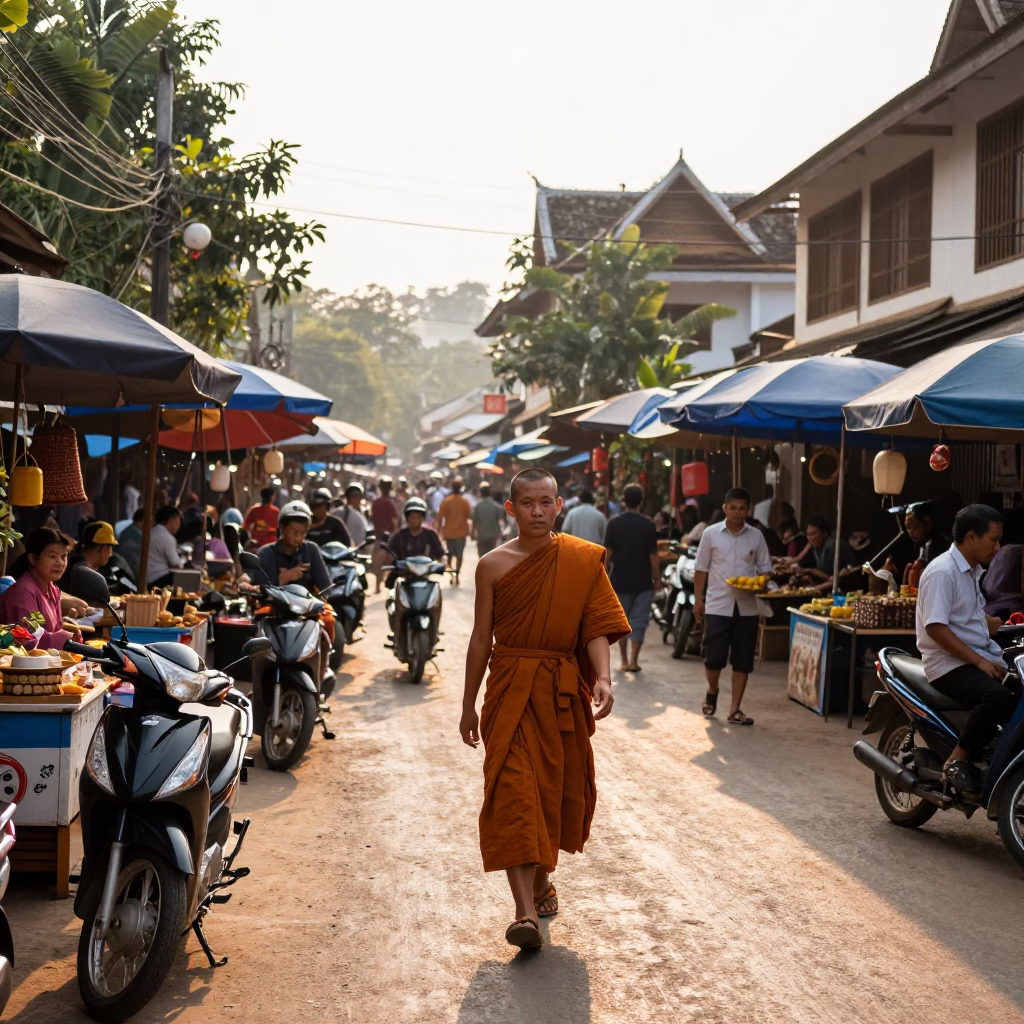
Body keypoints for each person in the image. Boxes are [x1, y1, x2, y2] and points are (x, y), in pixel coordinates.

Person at [459, 468, 629, 950]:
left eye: (545, 502)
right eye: (527, 503)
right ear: (510, 509)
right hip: (509, 687)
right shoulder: (491, 565)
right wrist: (467, 704)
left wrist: (602, 676)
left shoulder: (580, 560)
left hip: (557, 690)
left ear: (559, 506)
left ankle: (539, 881)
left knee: (550, 792)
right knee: (513, 792)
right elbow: (479, 638)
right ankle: (524, 914)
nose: (537, 511)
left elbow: (595, 624)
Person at [916, 504, 1015, 794]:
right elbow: (936, 627)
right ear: (971, 536)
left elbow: (973, 618)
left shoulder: (971, 571)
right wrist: (980, 663)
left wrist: (1007, 624)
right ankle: (957, 759)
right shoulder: (942, 572)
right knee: (997, 697)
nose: (998, 547)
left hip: (975, 656)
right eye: (993, 539)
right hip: (948, 663)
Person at [693, 487, 772, 726]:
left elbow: (765, 570)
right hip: (718, 604)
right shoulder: (710, 534)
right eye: (733, 508)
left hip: (747, 607)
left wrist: (760, 584)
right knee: (714, 658)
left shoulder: (756, 536)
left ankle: (735, 709)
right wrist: (698, 600)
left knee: (743, 660)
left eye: (742, 508)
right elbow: (701, 569)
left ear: (749, 509)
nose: (738, 513)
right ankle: (712, 690)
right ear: (725, 508)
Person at [603, 484, 659, 673]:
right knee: (640, 620)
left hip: (619, 580)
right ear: (641, 502)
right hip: (643, 581)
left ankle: (625, 660)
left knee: (622, 621)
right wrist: (657, 579)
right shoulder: (649, 524)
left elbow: (607, 554)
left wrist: (601, 578)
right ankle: (634, 660)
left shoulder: (614, 523)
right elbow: (653, 556)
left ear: (623, 501)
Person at [0, 528, 83, 648]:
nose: (60, 562)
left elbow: (55, 629)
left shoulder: (53, 589)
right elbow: (26, 639)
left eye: (64, 556)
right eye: (52, 556)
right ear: (33, 558)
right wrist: (66, 639)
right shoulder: (24, 592)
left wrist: (71, 635)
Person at [256, 500, 331, 592]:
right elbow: (257, 589)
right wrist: (282, 578)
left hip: (306, 605)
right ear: (282, 528)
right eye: (294, 532)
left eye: (303, 533)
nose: (298, 537)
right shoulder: (266, 553)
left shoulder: (311, 550)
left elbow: (326, 587)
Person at [65, 521, 136, 595]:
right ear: (103, 547)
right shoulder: (83, 571)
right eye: (110, 548)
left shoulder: (73, 563)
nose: (110, 554)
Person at [387, 497, 445, 565]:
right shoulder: (398, 536)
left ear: (423, 518)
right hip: (404, 573)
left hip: (427, 572)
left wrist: (443, 562)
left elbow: (441, 554)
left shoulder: (431, 535)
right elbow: (390, 555)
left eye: (418, 517)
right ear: (407, 518)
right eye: (412, 517)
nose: (415, 520)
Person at [800, 516, 854, 590]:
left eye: (813, 534)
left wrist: (814, 588)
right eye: (808, 535)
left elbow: (837, 578)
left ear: (824, 533)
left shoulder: (833, 546)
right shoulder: (815, 547)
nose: (810, 538)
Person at [438, 478, 473, 584]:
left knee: (449, 554)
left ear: (452, 488)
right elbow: (469, 516)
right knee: (459, 555)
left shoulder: (446, 501)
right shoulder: (465, 502)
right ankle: (457, 574)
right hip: (461, 533)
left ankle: (451, 575)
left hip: (449, 533)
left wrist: (439, 530)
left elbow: (440, 517)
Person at [370, 477, 402, 593]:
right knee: (392, 563)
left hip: (379, 538)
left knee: (378, 564)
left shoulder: (375, 503)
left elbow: (372, 518)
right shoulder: (391, 503)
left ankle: (378, 586)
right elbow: (395, 521)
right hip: (390, 539)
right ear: (390, 488)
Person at [146, 505, 184, 587]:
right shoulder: (167, 537)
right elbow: (175, 562)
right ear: (170, 521)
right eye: (178, 520)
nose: (179, 524)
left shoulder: (152, 532)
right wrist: (182, 562)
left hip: (147, 577)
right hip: (158, 578)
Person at [471, 483, 506, 557]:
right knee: (492, 555)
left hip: (481, 535)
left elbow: (474, 521)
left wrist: (472, 533)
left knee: (481, 555)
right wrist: (501, 533)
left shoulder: (477, 506)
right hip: (493, 535)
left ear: (481, 493)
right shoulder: (496, 506)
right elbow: (501, 520)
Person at [337, 483, 370, 547]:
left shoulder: (364, 512)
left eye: (357, 496)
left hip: (360, 548)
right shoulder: (341, 512)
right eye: (352, 496)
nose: (355, 499)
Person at [117, 508, 146, 578]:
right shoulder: (130, 536)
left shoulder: (136, 532)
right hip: (129, 572)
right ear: (140, 521)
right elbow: (133, 561)